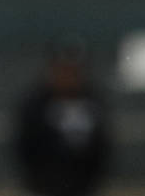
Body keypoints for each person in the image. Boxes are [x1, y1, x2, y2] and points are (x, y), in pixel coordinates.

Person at [15, 38, 111, 196]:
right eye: (63, 70)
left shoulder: (94, 104)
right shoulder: (35, 106)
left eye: (73, 71)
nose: (68, 76)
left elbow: (103, 148)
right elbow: (25, 147)